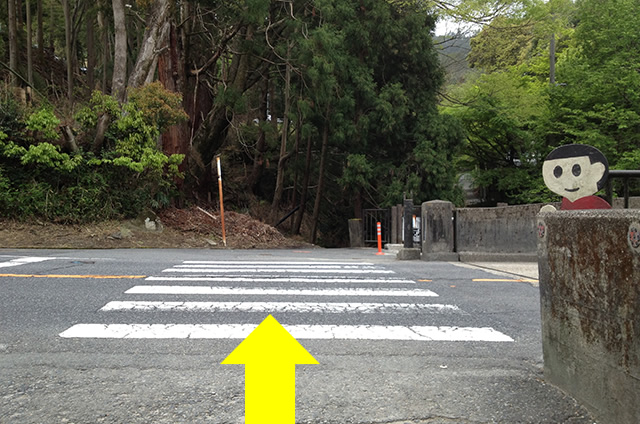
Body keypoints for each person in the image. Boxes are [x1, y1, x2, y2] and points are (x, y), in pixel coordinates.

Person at [541, 144, 611, 210]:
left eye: (577, 170)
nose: (568, 182)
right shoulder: (567, 202)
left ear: (597, 170)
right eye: (558, 172)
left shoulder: (596, 203)